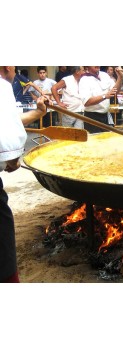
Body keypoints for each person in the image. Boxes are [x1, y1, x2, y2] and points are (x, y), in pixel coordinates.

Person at [0, 66, 48, 283]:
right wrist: (11, 156)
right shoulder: (2, 86)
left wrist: (38, 113)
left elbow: (8, 122)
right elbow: (8, 142)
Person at [79, 66, 123, 133]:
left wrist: (120, 77)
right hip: (92, 118)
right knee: (95, 142)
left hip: (105, 116)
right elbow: (87, 102)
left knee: (107, 141)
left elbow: (115, 91)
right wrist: (104, 96)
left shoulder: (104, 75)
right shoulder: (84, 80)